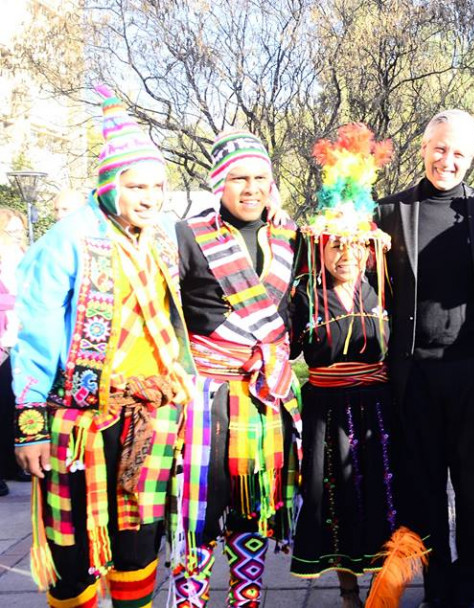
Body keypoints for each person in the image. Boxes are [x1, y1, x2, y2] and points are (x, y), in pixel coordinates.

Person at [11, 85, 196, 608]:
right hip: (80, 420)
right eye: (138, 186)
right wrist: (30, 428)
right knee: (75, 548)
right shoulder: (69, 238)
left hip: (152, 412)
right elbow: (37, 334)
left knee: (139, 543)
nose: (150, 197)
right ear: (109, 184)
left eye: (159, 187)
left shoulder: (162, 235)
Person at [375, 109, 474, 608]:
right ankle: (437, 590)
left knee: (473, 490)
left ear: (471, 158)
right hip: (413, 374)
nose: (446, 160)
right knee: (424, 488)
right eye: (439, 147)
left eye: (458, 153)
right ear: (423, 145)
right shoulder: (390, 212)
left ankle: (468, 589)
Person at [170, 129, 301, 608]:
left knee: (253, 508)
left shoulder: (289, 238)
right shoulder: (188, 235)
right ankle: (190, 600)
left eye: (261, 177)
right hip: (206, 399)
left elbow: (297, 308)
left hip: (263, 397)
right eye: (239, 178)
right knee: (200, 511)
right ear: (218, 182)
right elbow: (168, 315)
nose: (251, 188)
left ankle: (247, 601)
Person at [289, 123, 403, 606]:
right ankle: (348, 590)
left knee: (380, 497)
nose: (346, 253)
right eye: (335, 243)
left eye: (355, 243)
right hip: (325, 411)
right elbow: (282, 347)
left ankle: (385, 586)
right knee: (333, 499)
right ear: (321, 247)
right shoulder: (302, 294)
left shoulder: (386, 290)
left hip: (377, 410)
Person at [0, 207, 27, 496]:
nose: (17, 234)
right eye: (11, 230)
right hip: (2, 341)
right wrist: (19, 301)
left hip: (19, 341)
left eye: (20, 229)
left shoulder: (24, 257)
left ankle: (10, 464)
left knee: (10, 406)